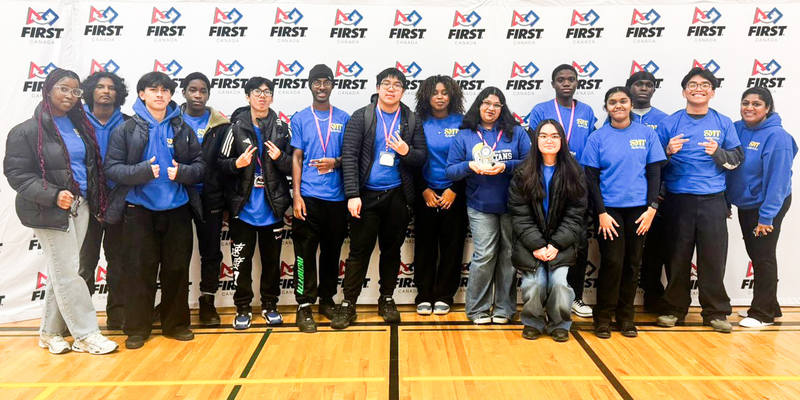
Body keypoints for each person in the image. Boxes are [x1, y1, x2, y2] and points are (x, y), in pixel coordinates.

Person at [4, 68, 118, 354]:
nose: (70, 95)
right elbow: (17, 174)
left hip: (81, 206)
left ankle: (50, 332)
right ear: (48, 90)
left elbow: (88, 167)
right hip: (48, 210)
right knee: (69, 272)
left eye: (75, 91)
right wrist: (54, 195)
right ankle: (86, 334)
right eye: (63, 89)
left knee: (64, 272)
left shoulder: (79, 125)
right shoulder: (26, 131)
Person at [104, 71, 205, 349]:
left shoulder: (181, 127)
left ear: (171, 95)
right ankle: (137, 328)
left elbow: (200, 166)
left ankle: (176, 324)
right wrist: (142, 171)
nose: (160, 94)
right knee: (138, 271)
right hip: (139, 212)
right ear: (142, 94)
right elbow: (111, 169)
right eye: (153, 89)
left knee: (176, 270)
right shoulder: (125, 128)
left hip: (178, 211)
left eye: (165, 90)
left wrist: (182, 172)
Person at [332, 67, 427, 329]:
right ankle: (348, 304)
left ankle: (386, 298)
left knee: (391, 250)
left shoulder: (411, 119)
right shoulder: (361, 117)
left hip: (397, 195)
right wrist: (352, 194)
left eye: (397, 85)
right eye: (385, 83)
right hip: (366, 196)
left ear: (403, 91)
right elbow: (349, 158)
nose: (391, 88)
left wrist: (406, 151)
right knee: (359, 251)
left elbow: (421, 158)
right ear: (377, 88)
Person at [656, 67, 744, 333]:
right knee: (677, 258)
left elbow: (736, 160)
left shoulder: (723, 122)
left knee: (713, 259)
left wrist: (718, 153)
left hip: (712, 200)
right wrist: (667, 151)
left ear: (712, 92)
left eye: (705, 85)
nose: (698, 88)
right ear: (684, 91)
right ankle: (674, 310)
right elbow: (653, 165)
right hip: (677, 200)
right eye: (692, 84)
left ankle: (716, 313)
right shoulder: (669, 123)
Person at [581, 87, 666, 339]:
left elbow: (654, 173)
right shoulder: (598, 137)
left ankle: (626, 317)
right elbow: (591, 179)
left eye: (623, 101)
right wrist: (601, 212)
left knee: (632, 263)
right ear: (605, 107)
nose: (618, 105)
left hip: (640, 211)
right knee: (613, 262)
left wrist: (652, 207)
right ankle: (604, 317)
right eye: (612, 102)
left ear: (630, 104)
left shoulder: (647, 134)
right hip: (609, 211)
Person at [446, 87, 531, 324]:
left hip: (513, 205)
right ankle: (477, 309)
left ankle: (504, 309)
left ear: (502, 108)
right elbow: (450, 170)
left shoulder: (516, 133)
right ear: (478, 106)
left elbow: (530, 162)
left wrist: (507, 166)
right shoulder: (465, 135)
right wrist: (469, 166)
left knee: (508, 257)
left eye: (496, 104)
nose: (491, 108)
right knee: (484, 256)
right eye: (486, 103)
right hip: (480, 204)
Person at [218, 77, 292, 330]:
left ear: (272, 97)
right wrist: (236, 164)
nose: (262, 96)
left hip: (273, 209)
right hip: (243, 210)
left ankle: (270, 305)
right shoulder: (234, 128)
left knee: (272, 264)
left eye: (267, 92)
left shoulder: (282, 128)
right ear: (247, 97)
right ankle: (242, 307)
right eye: (256, 92)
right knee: (241, 262)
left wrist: (281, 157)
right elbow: (220, 165)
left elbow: (294, 164)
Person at [527, 64, 597, 318]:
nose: (566, 83)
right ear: (553, 83)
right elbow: (533, 146)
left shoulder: (587, 111)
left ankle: (576, 296)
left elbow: (594, 145)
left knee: (577, 241)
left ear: (577, 83)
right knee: (545, 236)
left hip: (577, 181)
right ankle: (545, 300)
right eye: (560, 79)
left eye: (571, 79)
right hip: (547, 180)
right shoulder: (540, 111)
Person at [508, 120, 587, 342]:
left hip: (561, 244)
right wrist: (537, 245)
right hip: (530, 244)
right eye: (543, 136)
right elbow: (519, 214)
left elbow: (576, 215)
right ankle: (533, 321)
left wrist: (555, 245)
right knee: (535, 283)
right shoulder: (523, 172)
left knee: (560, 283)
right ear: (536, 140)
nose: (549, 140)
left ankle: (559, 323)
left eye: (554, 136)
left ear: (562, 141)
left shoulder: (574, 172)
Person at [728, 87, 797, 328]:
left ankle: (763, 313)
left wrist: (767, 217)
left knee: (763, 256)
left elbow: (778, 180)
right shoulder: (737, 128)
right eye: (745, 102)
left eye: (756, 104)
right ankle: (771, 305)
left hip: (768, 204)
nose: (749, 108)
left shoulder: (778, 137)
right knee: (756, 254)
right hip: (747, 203)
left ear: (768, 108)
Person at [290, 64, 350, 333]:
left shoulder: (345, 118)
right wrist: (297, 196)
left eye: (327, 82)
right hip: (309, 198)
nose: (322, 87)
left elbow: (349, 156)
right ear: (310, 85)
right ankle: (303, 306)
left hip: (336, 200)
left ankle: (326, 300)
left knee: (332, 253)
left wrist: (335, 162)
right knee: (303, 255)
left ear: (333, 85)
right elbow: (297, 157)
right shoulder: (301, 118)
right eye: (317, 82)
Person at [78, 71, 129, 330]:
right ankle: (80, 320)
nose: (106, 91)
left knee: (118, 263)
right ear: (90, 91)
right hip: (85, 205)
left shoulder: (129, 122)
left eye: (111, 87)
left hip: (119, 203)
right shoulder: (76, 122)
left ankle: (117, 316)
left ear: (118, 93)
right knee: (84, 263)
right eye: (100, 86)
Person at [412, 75, 467, 316]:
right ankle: (424, 294)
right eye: (435, 92)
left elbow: (469, 160)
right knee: (424, 247)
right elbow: (410, 161)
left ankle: (445, 295)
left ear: (452, 96)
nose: (440, 96)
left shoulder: (463, 123)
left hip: (454, 193)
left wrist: (454, 189)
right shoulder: (417, 122)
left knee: (452, 247)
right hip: (425, 193)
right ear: (426, 96)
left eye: (445, 92)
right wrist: (424, 189)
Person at [180, 72, 230, 326]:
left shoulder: (221, 125)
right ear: (184, 93)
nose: (197, 95)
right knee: (174, 253)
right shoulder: (171, 121)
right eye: (192, 90)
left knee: (211, 253)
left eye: (202, 91)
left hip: (210, 197)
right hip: (177, 194)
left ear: (208, 94)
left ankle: (207, 303)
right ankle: (173, 303)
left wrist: (226, 202)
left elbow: (227, 166)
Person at [625, 71, 672, 313]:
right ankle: (620, 301)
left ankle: (654, 297)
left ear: (654, 90)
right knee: (624, 252)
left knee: (655, 250)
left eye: (649, 85)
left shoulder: (664, 120)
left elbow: (667, 161)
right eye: (638, 84)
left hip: (657, 197)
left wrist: (659, 193)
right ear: (629, 88)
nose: (643, 88)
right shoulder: (618, 115)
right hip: (625, 197)